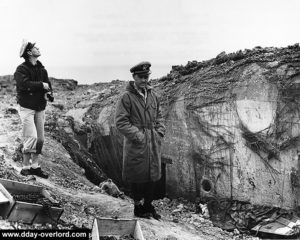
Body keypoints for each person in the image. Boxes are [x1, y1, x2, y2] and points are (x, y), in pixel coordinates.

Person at [115, 61, 166, 219]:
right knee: (138, 176)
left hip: (152, 141)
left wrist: (159, 132)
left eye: (147, 76)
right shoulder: (127, 97)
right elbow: (121, 122)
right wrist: (138, 136)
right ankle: (138, 207)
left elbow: (159, 116)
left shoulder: (153, 95)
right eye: (141, 77)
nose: (145, 80)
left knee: (153, 176)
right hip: (137, 143)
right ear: (134, 77)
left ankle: (149, 205)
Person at [14, 40, 54, 179]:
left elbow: (47, 85)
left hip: (40, 107)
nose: (38, 48)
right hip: (26, 108)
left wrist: (49, 93)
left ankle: (35, 166)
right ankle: (25, 167)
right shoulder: (21, 69)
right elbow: (24, 84)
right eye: (35, 48)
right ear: (29, 52)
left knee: (40, 139)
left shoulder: (42, 69)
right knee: (31, 137)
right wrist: (41, 85)